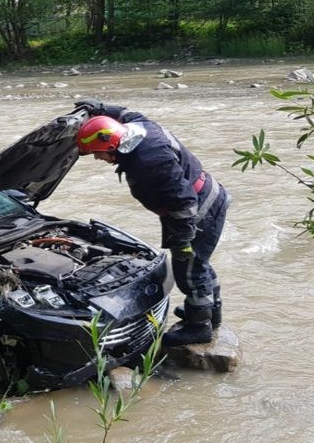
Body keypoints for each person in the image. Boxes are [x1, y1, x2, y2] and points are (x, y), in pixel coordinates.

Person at [73, 100, 230, 346]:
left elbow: (184, 202)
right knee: (197, 263)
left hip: (198, 211)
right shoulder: (138, 126)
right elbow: (124, 113)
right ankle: (211, 314)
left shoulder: (150, 162)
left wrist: (183, 238)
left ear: (112, 144)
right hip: (206, 197)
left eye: (97, 153)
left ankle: (199, 327)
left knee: (188, 267)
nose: (97, 159)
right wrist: (99, 109)